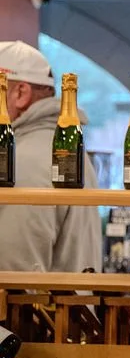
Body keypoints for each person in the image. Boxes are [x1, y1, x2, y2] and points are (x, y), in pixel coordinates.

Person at [0, 40, 101, 272]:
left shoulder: (20, 160)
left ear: (20, 94)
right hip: (73, 307)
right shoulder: (59, 148)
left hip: (43, 309)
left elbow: (14, 275)